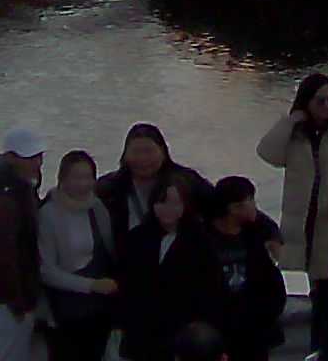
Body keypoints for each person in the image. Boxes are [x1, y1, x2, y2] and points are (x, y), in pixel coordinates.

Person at [258, 72, 328, 359]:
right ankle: (319, 349)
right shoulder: (296, 136)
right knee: (318, 292)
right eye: (320, 100)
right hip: (305, 226)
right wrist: (291, 120)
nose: (327, 105)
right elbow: (268, 153)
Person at [113, 176, 216, 361]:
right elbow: (126, 284)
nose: (168, 209)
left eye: (175, 203)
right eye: (163, 202)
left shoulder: (200, 240)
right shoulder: (136, 238)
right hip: (141, 331)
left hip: (182, 333)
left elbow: (209, 288)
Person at [41, 150, 128, 361]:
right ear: (62, 179)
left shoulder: (97, 208)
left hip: (99, 308)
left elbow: (109, 251)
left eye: (88, 177)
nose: (83, 184)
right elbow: (46, 271)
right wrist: (90, 285)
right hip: (66, 308)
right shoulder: (48, 214)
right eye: (76, 177)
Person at [0, 127, 50, 361]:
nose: (36, 163)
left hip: (15, 294)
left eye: (38, 156)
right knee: (10, 352)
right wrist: (17, 302)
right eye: (29, 158)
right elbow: (2, 257)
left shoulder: (18, 189)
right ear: (11, 158)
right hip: (9, 297)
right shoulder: (6, 201)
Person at [201, 176, 287, 361]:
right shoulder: (201, 239)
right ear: (233, 208)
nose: (253, 206)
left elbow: (271, 282)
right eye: (248, 201)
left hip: (254, 329)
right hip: (218, 330)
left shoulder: (256, 234)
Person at [100, 123, 212, 253]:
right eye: (136, 152)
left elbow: (217, 209)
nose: (142, 158)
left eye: (149, 151)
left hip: (179, 257)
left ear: (163, 152)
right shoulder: (108, 187)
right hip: (126, 260)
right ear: (125, 155)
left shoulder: (188, 181)